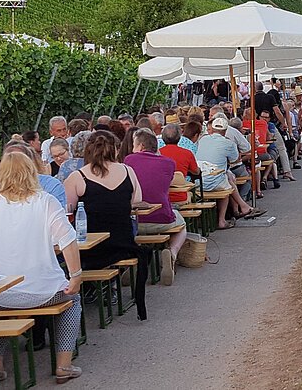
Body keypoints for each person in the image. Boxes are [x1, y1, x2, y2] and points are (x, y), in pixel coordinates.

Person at [0, 152, 84, 384]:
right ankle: (64, 364)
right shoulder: (45, 201)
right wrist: (75, 276)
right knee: (73, 300)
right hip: (43, 292)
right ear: (31, 173)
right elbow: (68, 240)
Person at [63, 133, 149, 319]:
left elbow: (67, 211)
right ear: (115, 150)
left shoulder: (77, 177)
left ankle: (88, 289)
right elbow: (137, 201)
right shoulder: (128, 171)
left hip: (91, 249)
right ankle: (105, 286)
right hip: (124, 244)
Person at [124, 129, 186, 286]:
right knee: (182, 225)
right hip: (161, 218)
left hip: (134, 220)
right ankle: (172, 252)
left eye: (134, 145)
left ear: (141, 146)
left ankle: (135, 259)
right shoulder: (169, 163)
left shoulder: (128, 160)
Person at [194, 116, 256, 229]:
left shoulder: (202, 140)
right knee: (227, 183)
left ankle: (242, 207)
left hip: (198, 181)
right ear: (225, 130)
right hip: (213, 181)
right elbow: (235, 160)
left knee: (228, 177)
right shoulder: (228, 143)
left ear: (212, 129)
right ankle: (223, 219)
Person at [160, 124, 200, 205]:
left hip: (161, 197)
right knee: (192, 193)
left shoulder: (157, 154)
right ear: (179, 137)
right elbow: (196, 172)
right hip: (180, 197)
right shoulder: (187, 153)